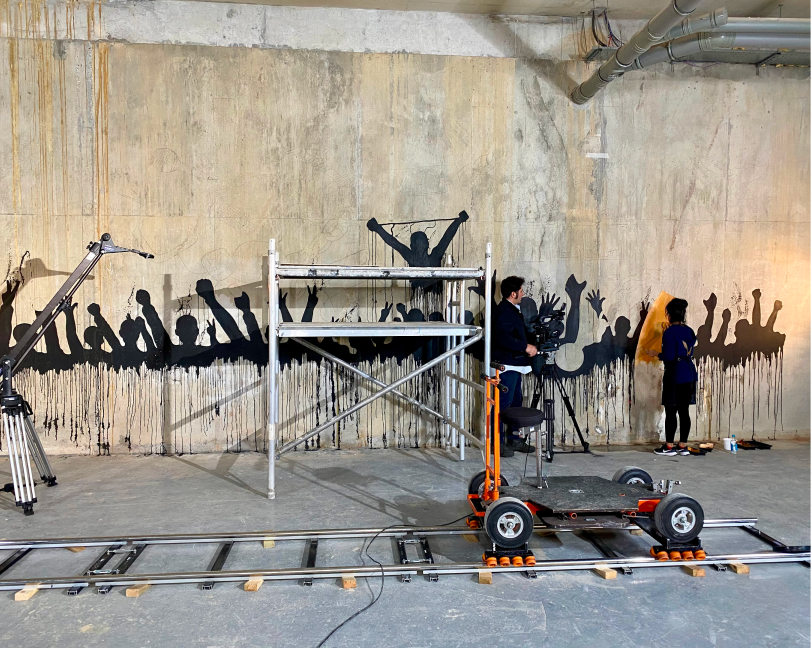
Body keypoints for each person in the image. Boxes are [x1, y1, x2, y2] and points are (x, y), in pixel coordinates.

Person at [491, 276, 538, 457]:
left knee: (516, 403)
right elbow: (502, 338)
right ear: (513, 293)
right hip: (507, 366)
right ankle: (497, 443)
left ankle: (514, 439)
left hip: (515, 365)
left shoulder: (511, 309)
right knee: (502, 405)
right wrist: (525, 346)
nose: (523, 293)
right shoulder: (504, 311)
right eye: (521, 290)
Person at [648, 298, 698, 456]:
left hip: (675, 374)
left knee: (671, 411)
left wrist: (655, 353)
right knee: (684, 411)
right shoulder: (689, 331)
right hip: (690, 373)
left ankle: (669, 447)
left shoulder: (669, 332)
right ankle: (682, 446)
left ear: (669, 314)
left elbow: (669, 356)